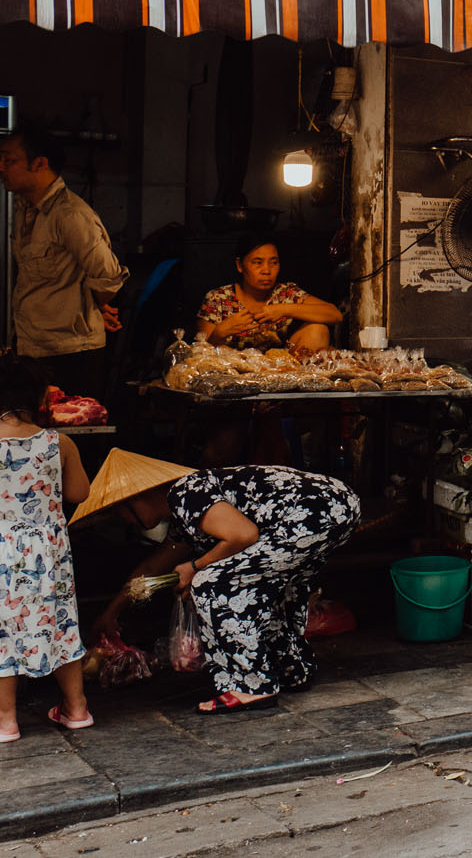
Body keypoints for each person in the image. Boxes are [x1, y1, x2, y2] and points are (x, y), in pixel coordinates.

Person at [75, 451, 361, 711]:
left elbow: (243, 535)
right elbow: (151, 567)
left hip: (316, 512)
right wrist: (110, 614)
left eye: (119, 511)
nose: (125, 521)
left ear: (135, 498)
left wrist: (196, 567)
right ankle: (292, 670)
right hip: (335, 507)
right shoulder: (184, 515)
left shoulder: (185, 491)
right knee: (275, 590)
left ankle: (250, 686)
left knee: (212, 584)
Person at [0, 357, 92, 741]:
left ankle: (6, 721)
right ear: (40, 398)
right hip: (47, 554)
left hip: (2, 551)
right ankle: (76, 709)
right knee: (61, 625)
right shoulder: (59, 443)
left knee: (2, 631)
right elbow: (79, 493)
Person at [1, 126, 127, 400]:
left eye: (8, 160)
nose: (1, 167)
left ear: (40, 163)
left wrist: (90, 304)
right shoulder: (26, 210)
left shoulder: (71, 215)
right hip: (32, 346)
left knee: (69, 435)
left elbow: (109, 278)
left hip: (71, 353)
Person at [195, 237, 342, 352]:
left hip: (282, 370)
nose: (266, 270)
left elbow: (335, 314)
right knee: (219, 349)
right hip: (233, 372)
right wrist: (220, 333)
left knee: (318, 329)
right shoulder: (218, 299)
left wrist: (283, 309)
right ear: (240, 265)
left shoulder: (285, 293)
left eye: (273, 262)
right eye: (257, 263)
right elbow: (200, 351)